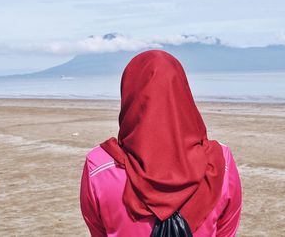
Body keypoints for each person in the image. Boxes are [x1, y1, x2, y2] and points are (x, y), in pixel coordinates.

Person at [80, 50, 242, 236]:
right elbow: (226, 231)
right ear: (183, 91)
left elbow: (97, 231)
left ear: (129, 95)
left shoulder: (99, 164)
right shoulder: (220, 161)